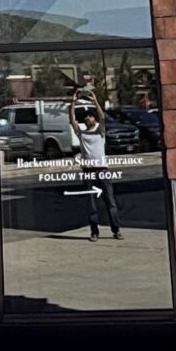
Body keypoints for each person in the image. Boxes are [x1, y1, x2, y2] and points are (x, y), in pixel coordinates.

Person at [69, 89, 121, 241]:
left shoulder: (100, 132)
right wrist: (73, 102)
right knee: (91, 204)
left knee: (110, 202)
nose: (88, 118)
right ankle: (94, 232)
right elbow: (72, 120)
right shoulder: (82, 133)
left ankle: (116, 229)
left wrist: (95, 100)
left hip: (102, 170)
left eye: (90, 116)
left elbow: (102, 117)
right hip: (88, 171)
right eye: (86, 117)